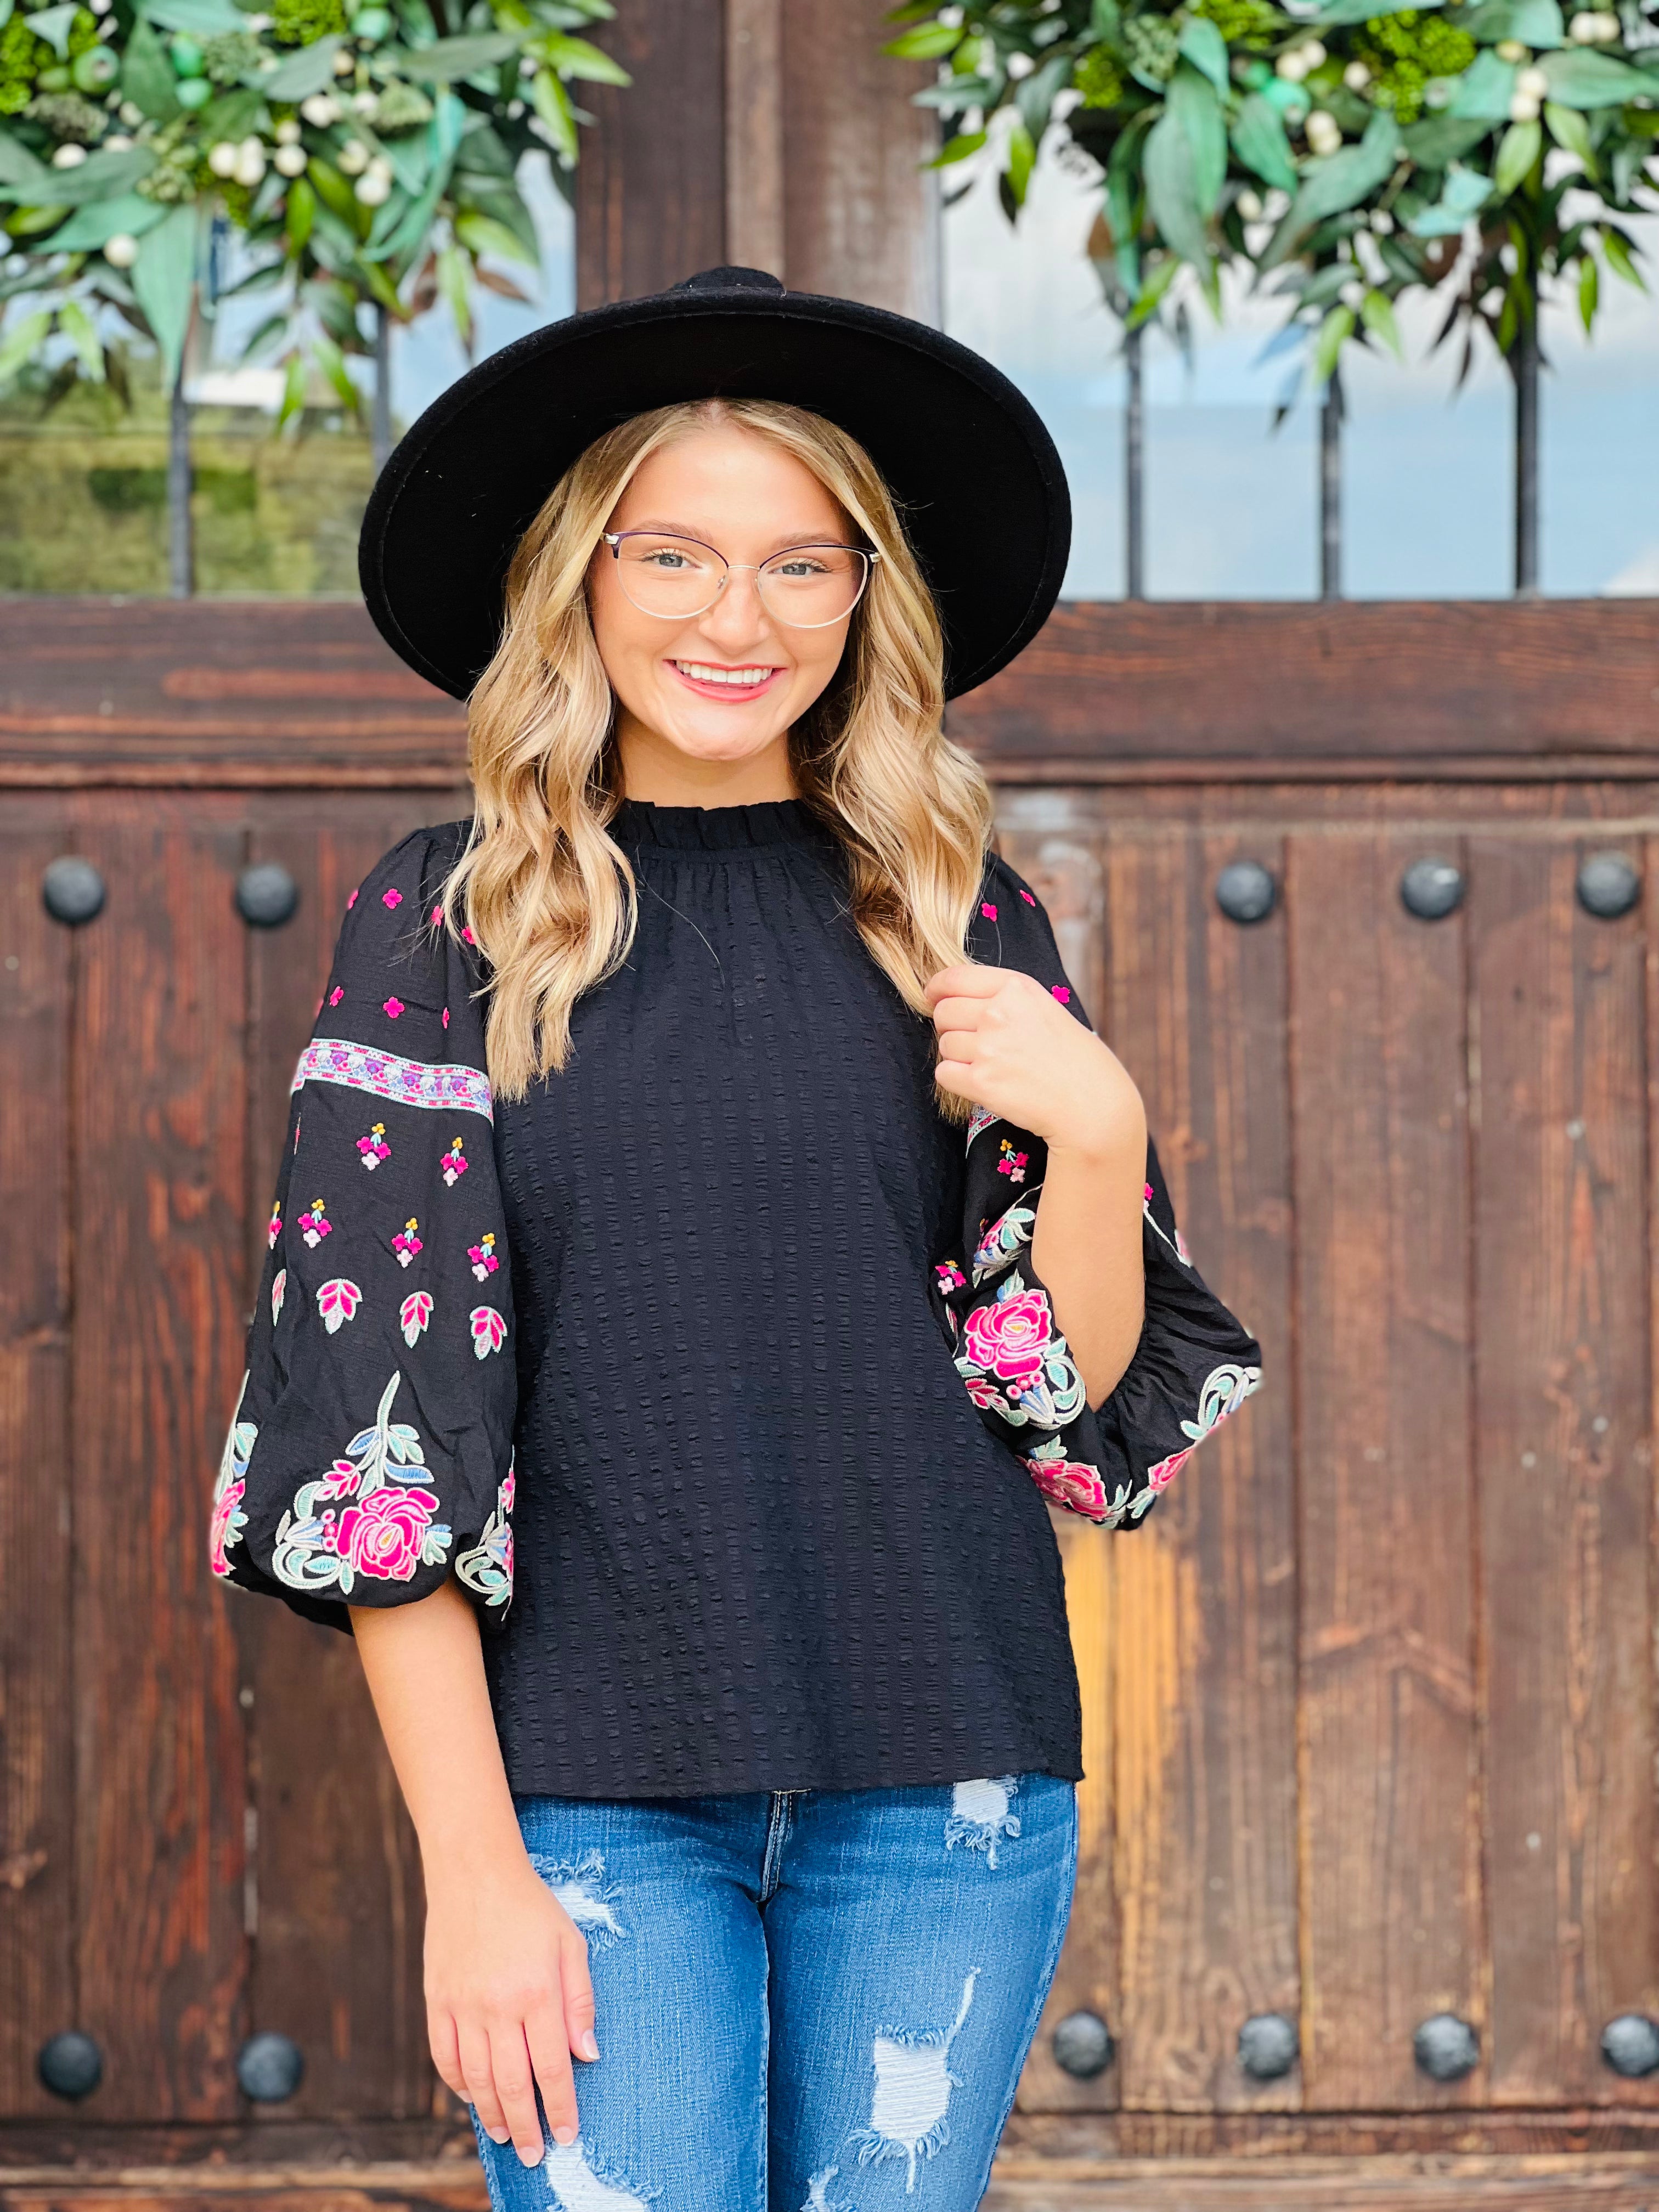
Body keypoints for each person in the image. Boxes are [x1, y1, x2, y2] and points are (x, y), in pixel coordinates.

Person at [211, 267, 1262, 2212]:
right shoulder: (451, 925)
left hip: (946, 1775)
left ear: (865, 596)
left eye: (800, 564)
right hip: (591, 1794)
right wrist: (473, 1874)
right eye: (675, 554)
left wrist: (1100, 1131)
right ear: (580, 579)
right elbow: (378, 1447)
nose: (737, 618)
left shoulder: (956, 910)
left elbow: (1065, 1396)